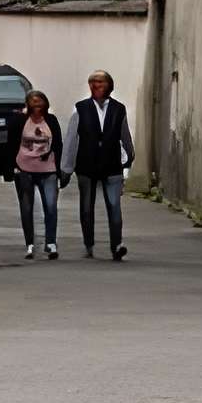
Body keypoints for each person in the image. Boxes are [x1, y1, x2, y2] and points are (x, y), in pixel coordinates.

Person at [62, 69, 134, 260]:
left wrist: (128, 158)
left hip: (112, 164)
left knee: (114, 205)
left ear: (109, 86)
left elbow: (124, 135)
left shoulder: (119, 109)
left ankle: (117, 245)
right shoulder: (80, 108)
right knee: (86, 207)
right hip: (87, 164)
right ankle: (89, 243)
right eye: (93, 82)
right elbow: (71, 139)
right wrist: (66, 167)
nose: (96, 85)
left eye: (101, 82)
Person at [4, 89, 63, 259]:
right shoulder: (19, 121)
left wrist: (61, 171)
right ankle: (29, 243)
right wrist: (10, 169)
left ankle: (50, 242)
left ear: (46, 104)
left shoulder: (51, 120)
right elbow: (10, 145)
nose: (37, 105)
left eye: (40, 101)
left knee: (50, 206)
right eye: (33, 102)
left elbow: (58, 144)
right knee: (26, 207)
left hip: (48, 169)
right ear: (27, 104)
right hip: (24, 169)